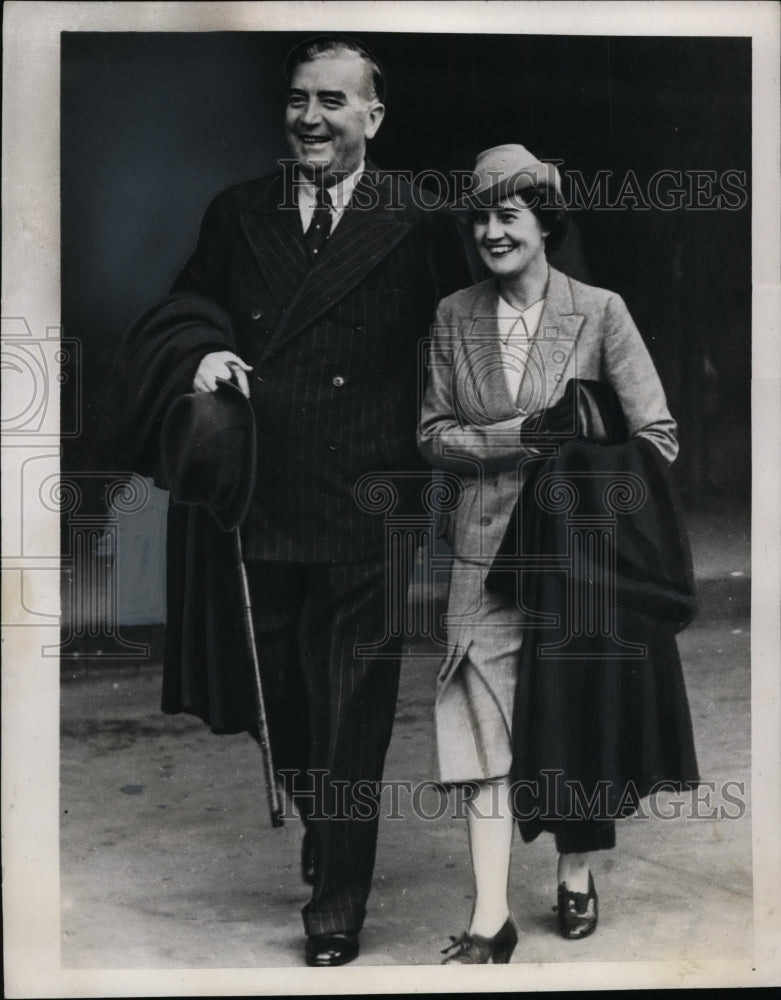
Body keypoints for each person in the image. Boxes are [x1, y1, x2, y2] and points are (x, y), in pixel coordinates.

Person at [110, 35, 470, 967]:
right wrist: (203, 351)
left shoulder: (419, 219)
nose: (310, 119)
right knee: (286, 700)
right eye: (299, 99)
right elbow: (189, 303)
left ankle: (337, 901)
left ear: (372, 118)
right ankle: (323, 821)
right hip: (263, 495)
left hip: (372, 499)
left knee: (353, 707)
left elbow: (469, 333)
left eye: (332, 102)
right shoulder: (240, 213)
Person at [417, 144, 698, 963]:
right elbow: (432, 434)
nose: (491, 232)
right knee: (480, 731)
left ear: (545, 224)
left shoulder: (600, 311)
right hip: (482, 558)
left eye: (508, 215)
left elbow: (658, 435)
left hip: (576, 561)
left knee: (574, 722)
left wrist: (582, 463)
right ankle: (488, 919)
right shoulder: (453, 314)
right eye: (479, 218)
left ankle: (575, 872)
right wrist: (519, 436)